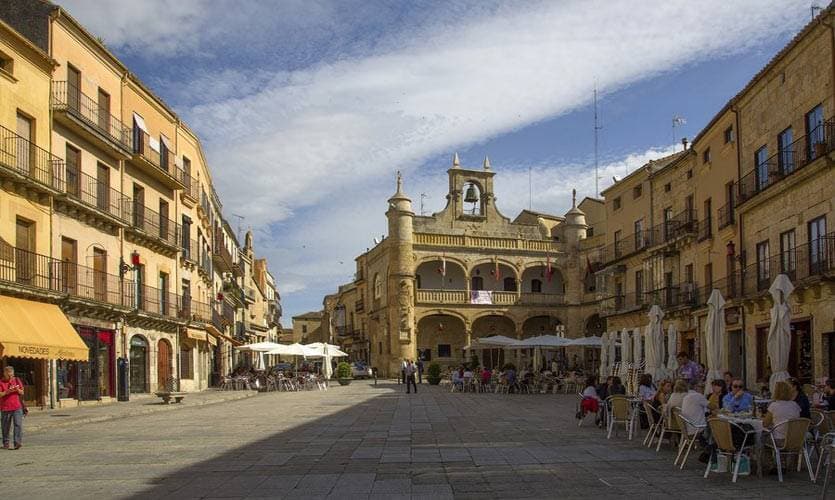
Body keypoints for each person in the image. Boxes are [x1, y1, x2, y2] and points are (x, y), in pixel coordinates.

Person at [0, 366, 25, 450]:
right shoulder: (1, 382)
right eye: (7, 373)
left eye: (11, 373)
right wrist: (8, 391)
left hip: (17, 406)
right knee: (5, 426)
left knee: (18, 425)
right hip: (5, 407)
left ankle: (17, 442)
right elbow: (0, 394)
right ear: (4, 373)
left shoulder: (17, 380)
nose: (9, 374)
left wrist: (17, 390)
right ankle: (6, 442)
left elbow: (22, 392)